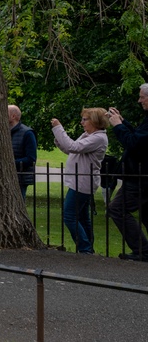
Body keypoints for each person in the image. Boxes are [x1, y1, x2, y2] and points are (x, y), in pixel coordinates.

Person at [52, 108, 109, 254]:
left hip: (82, 183)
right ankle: (88, 248)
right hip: (80, 181)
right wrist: (59, 141)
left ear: (95, 121)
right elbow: (72, 151)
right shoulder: (88, 135)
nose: (82, 122)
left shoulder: (98, 138)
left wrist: (58, 128)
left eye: (85, 119)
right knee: (83, 218)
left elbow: (73, 147)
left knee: (69, 215)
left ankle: (85, 249)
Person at [107, 83, 148, 261]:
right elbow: (139, 138)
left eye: (142, 97)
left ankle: (142, 251)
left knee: (117, 209)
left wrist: (117, 126)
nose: (139, 101)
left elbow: (134, 144)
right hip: (140, 177)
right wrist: (123, 122)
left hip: (140, 178)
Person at [9, 104, 38, 201]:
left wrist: (10, 163)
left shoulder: (27, 133)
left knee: (17, 203)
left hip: (20, 177)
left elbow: (31, 158)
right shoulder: (4, 132)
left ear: (13, 116)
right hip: (7, 177)